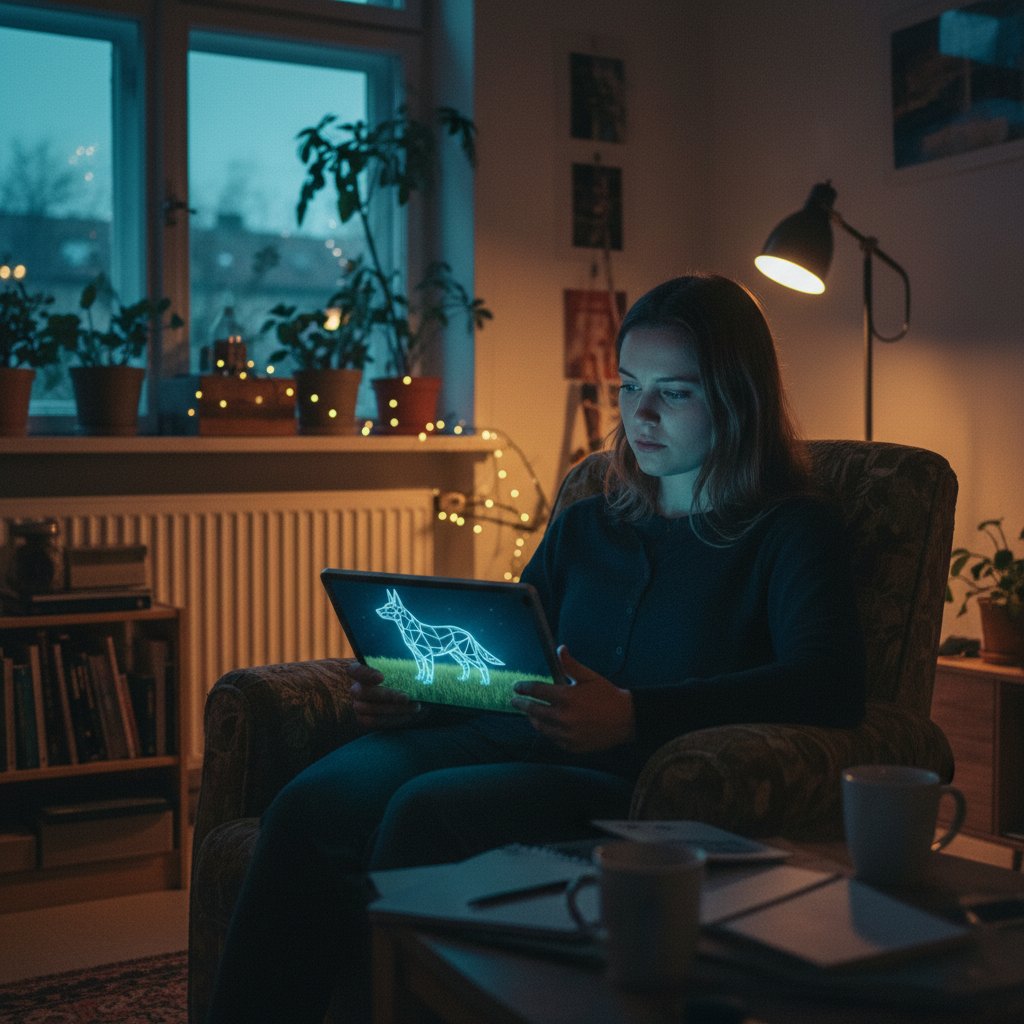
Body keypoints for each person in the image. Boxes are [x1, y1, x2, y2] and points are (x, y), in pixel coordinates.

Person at [206, 273, 865, 1023]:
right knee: (310, 803)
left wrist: (636, 715)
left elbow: (830, 683)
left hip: (620, 778)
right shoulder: (591, 519)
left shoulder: (789, 531)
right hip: (503, 734)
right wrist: (418, 690)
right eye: (628, 386)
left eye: (674, 393)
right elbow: (514, 651)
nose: (640, 415)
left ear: (737, 399)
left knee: (425, 813)